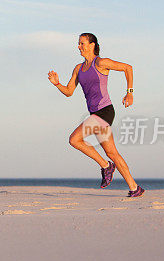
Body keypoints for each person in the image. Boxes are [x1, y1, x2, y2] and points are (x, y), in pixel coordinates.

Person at [47, 33, 144, 197]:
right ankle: (135, 188)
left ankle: (106, 166)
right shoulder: (78, 68)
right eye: (78, 43)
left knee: (74, 139)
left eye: (82, 43)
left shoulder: (101, 62)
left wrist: (130, 93)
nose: (79, 46)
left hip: (104, 111)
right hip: (95, 113)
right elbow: (69, 92)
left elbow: (128, 68)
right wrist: (57, 84)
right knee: (112, 153)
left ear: (92, 45)